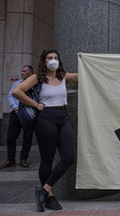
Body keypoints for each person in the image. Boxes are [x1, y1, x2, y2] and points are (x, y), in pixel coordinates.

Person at [12, 49, 79, 211]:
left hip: (62, 117)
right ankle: (49, 197)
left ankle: (44, 189)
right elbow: (16, 91)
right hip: (45, 119)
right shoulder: (37, 78)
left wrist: (84, 59)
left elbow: (86, 73)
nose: (53, 60)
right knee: (47, 160)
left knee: (69, 157)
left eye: (56, 57)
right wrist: (35, 104)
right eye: (50, 58)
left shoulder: (64, 76)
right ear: (44, 61)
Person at [0, 65, 34, 169]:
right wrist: (15, 107)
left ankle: (23, 159)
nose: (22, 73)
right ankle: (10, 159)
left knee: (27, 137)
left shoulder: (34, 85)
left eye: (24, 71)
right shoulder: (17, 83)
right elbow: (10, 96)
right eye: (21, 71)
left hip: (28, 114)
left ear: (30, 73)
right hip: (16, 113)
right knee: (11, 137)